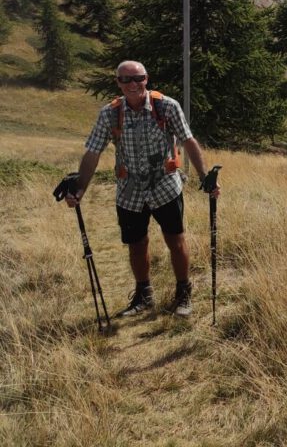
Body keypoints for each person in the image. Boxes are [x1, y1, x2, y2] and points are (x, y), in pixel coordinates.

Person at [64, 60, 220, 318]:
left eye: (138, 78)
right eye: (125, 79)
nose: (132, 84)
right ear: (118, 83)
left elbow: (188, 141)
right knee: (136, 244)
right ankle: (143, 295)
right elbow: (93, 151)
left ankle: (183, 294)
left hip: (165, 185)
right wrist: (80, 188)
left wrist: (205, 178)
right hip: (130, 190)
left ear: (146, 79)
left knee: (175, 240)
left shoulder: (166, 107)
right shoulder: (110, 114)